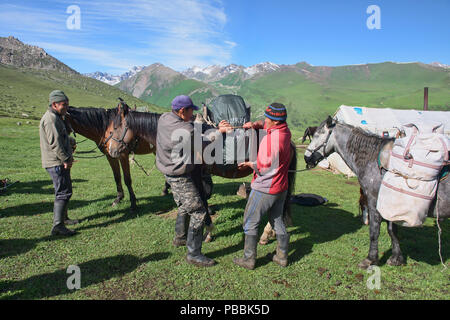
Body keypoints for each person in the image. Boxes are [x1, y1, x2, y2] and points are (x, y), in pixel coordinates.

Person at [156, 95, 231, 267]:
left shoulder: (164, 118)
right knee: (198, 212)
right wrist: (219, 132)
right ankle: (194, 254)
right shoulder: (186, 130)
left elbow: (193, 128)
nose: (193, 114)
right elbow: (204, 143)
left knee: (184, 205)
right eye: (191, 111)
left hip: (167, 171)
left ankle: (180, 237)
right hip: (180, 175)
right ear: (182, 111)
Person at [233, 103, 292, 269]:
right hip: (281, 186)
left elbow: (264, 166)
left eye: (268, 118)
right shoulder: (284, 131)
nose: (265, 120)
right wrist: (255, 124)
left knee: (250, 220)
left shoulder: (272, 140)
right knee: (277, 220)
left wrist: (249, 164)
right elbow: (266, 125)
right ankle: (281, 256)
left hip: (265, 187)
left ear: (275, 121)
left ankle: (249, 259)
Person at [39, 90, 78, 236]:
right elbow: (55, 143)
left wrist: (70, 141)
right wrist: (66, 159)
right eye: (64, 104)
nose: (67, 107)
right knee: (63, 192)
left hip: (58, 161)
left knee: (64, 190)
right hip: (56, 162)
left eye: (67, 104)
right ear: (54, 104)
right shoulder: (50, 119)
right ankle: (58, 226)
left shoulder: (56, 117)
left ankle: (64, 218)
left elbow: (61, 137)